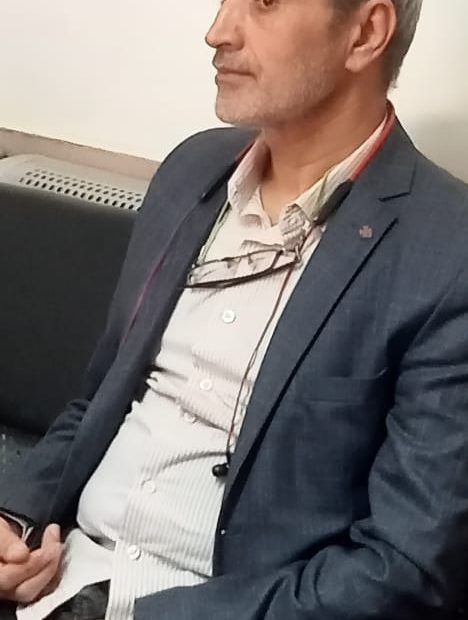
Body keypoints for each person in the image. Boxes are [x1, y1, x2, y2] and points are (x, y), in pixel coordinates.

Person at [1, 0, 468, 618]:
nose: (216, 32)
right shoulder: (192, 171)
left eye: (264, 3)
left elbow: (402, 570)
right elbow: (98, 404)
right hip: (56, 577)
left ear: (365, 32)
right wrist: (14, 515)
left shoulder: (446, 250)